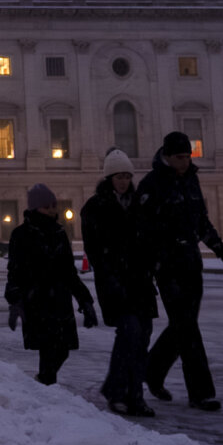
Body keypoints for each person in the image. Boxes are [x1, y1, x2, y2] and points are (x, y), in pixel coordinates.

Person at [136, 131, 223, 411]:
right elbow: (143, 232)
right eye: (180, 157)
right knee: (188, 328)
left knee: (182, 326)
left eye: (188, 157)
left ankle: (151, 369)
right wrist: (152, 265)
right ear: (168, 156)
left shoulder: (191, 180)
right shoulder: (152, 184)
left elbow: (201, 222)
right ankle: (201, 392)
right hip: (167, 266)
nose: (185, 162)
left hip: (191, 263)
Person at [80, 149, 157, 416]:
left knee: (141, 338)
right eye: (118, 176)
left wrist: (150, 267)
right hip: (115, 283)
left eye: (127, 176)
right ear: (109, 177)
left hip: (141, 282)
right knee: (130, 333)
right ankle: (117, 391)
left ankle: (134, 395)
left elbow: (149, 242)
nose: (124, 181)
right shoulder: (95, 207)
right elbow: (94, 248)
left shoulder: (140, 205)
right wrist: (110, 275)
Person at [4, 184, 97, 385]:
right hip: (36, 299)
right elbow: (15, 271)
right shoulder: (21, 234)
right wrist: (15, 301)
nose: (52, 210)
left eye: (53, 205)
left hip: (60, 300)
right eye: (47, 206)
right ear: (35, 207)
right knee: (48, 348)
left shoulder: (59, 232)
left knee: (62, 349)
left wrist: (85, 301)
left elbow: (69, 272)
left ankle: (43, 383)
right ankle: (46, 385)